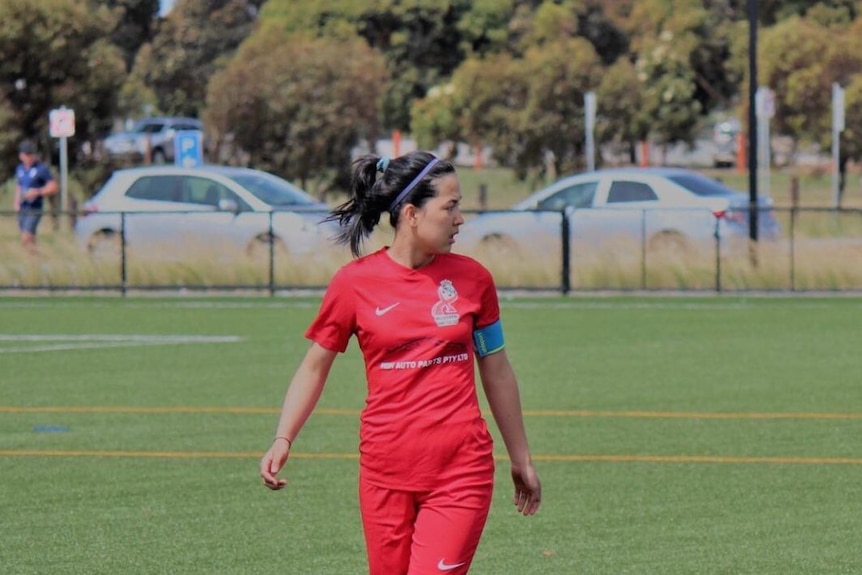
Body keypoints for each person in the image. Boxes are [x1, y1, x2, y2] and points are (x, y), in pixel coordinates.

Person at [259, 150, 541, 574]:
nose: (460, 218)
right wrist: (283, 438)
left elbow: (496, 368)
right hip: (384, 473)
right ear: (411, 213)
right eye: (450, 206)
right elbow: (315, 365)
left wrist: (521, 458)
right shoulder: (354, 284)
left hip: (460, 472)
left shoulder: (474, 280)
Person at [13, 140, 58, 254]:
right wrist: (16, 202)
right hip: (23, 207)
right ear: (21, 156)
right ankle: (34, 262)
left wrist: (37, 192)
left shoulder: (41, 169)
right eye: (26, 154)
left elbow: (53, 187)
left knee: (26, 236)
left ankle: (36, 258)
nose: (29, 157)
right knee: (28, 239)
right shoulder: (20, 169)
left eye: (31, 154)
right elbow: (19, 186)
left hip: (34, 208)